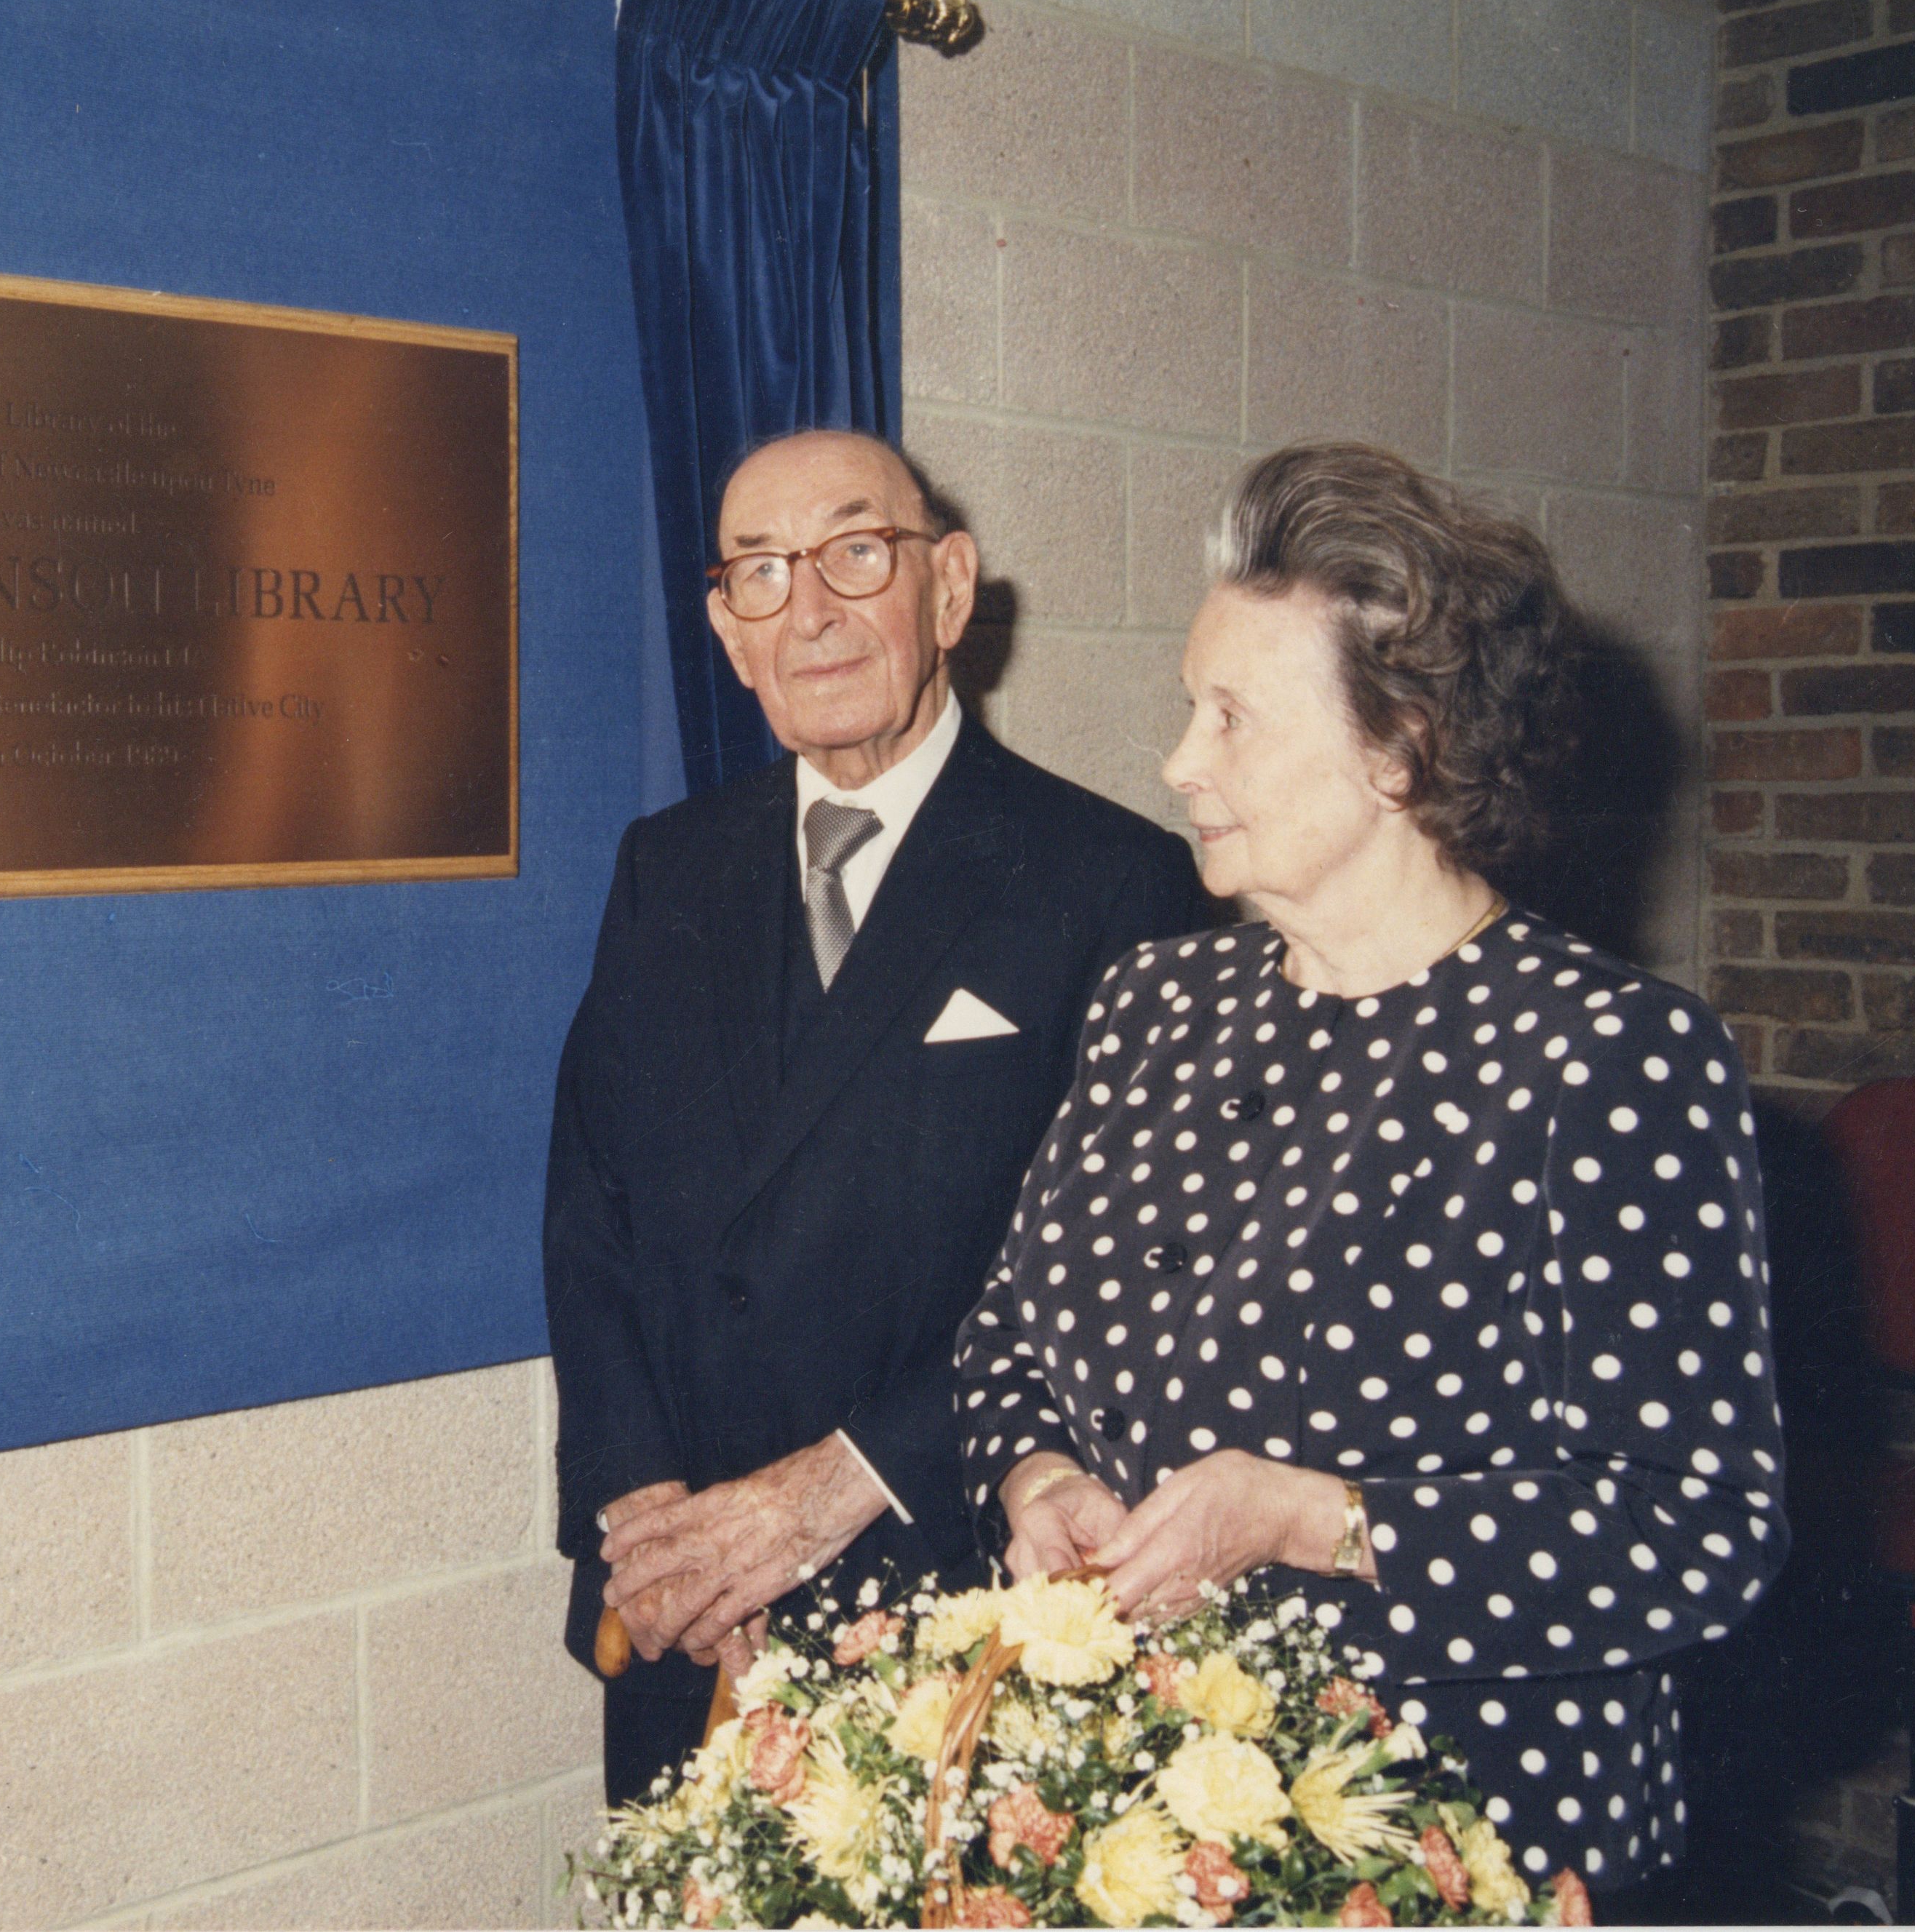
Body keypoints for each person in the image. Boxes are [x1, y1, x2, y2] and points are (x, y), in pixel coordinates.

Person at [953, 441, 1786, 1909]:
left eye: (1232, 718)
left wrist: (1309, 1519)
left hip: (1458, 1844)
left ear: (1401, 748)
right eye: (1183, 708)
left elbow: (1697, 1531)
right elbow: (1009, 1334)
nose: (1175, 763)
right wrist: (1037, 1474)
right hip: (1145, 1830)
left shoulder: (1601, 1055)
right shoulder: (1154, 1002)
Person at [546, 429, 1201, 1804]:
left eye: (856, 552)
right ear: (729, 634)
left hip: (949, 1597)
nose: (815, 610)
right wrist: (644, 1511)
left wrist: (831, 1492)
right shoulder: (664, 869)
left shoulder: (1117, 885)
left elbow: (1120, 1287)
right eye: (764, 576)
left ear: (949, 591)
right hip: (694, 1616)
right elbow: (589, 1212)